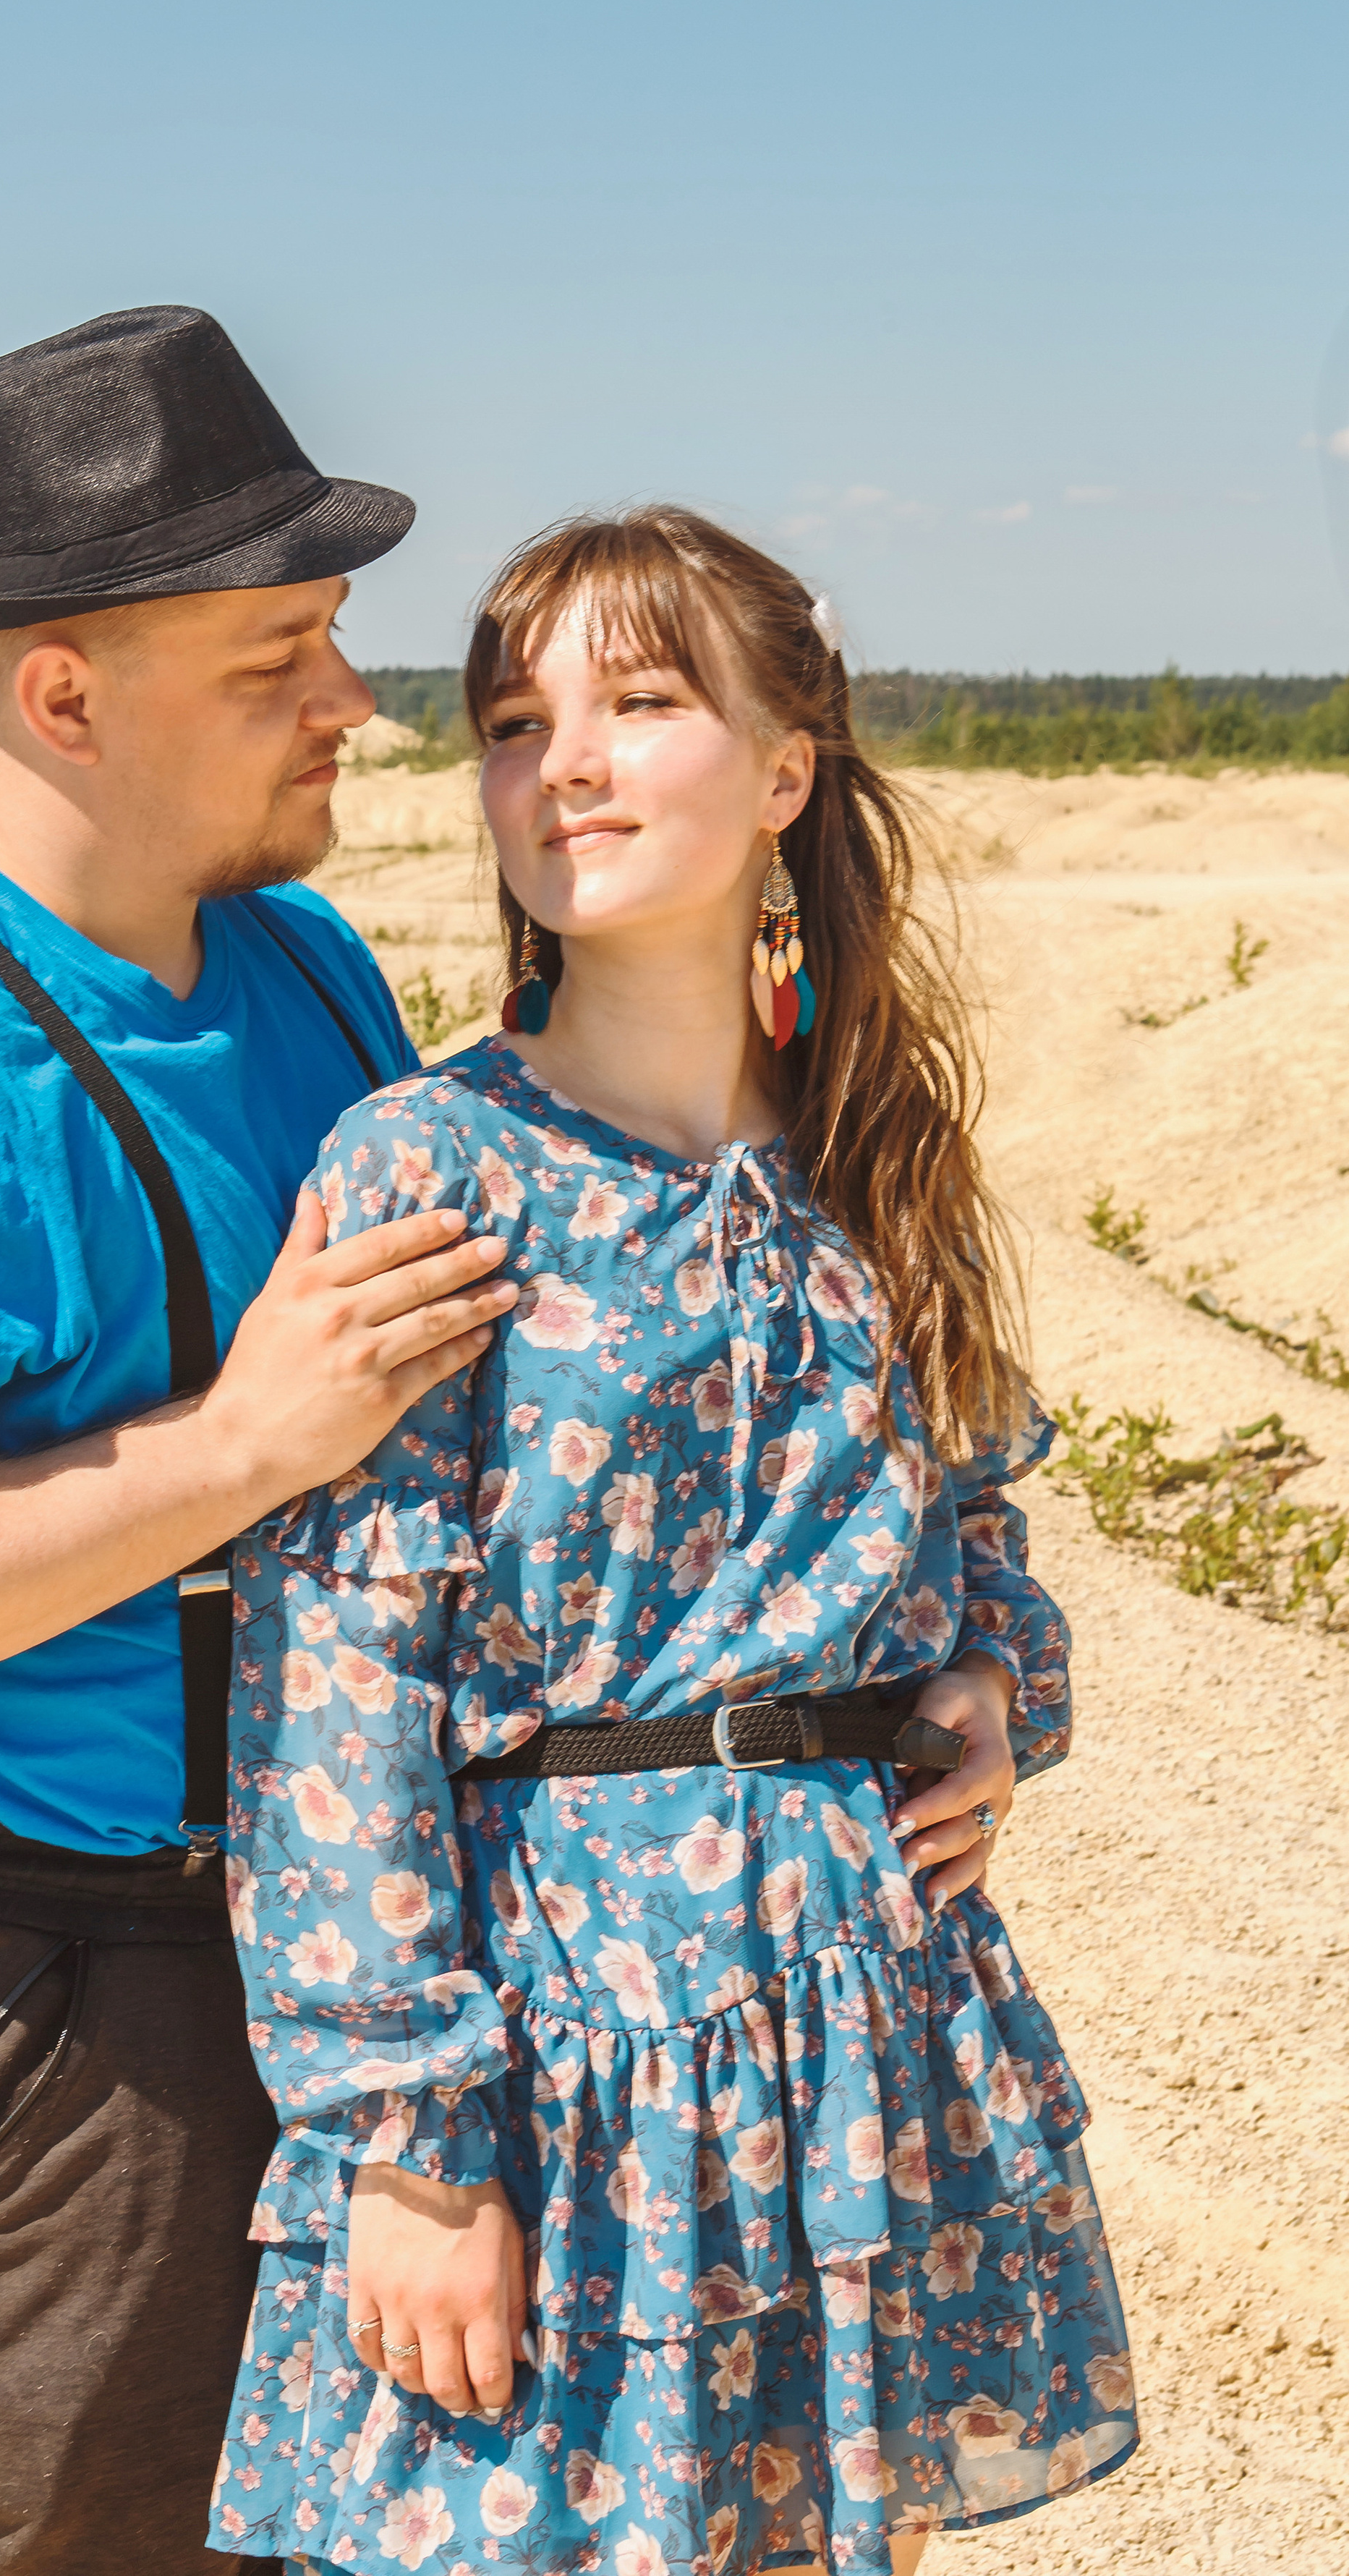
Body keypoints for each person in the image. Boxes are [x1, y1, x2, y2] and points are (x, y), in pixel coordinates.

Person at [0, 306, 522, 2576]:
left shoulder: (300, 960)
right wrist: (248, 1441)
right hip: (4, 1996)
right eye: (281, 655)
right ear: (68, 693)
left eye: (336, 636)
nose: (357, 701)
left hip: (309, 1946)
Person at [210, 509, 1137, 2575]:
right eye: (520, 722)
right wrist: (411, 2148)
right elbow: (338, 1680)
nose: (570, 766)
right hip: (570, 2050)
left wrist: (984, 1682)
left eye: (643, 702)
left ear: (788, 770)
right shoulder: (432, 1167)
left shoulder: (875, 1152)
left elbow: (974, 1516)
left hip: (848, 2013)